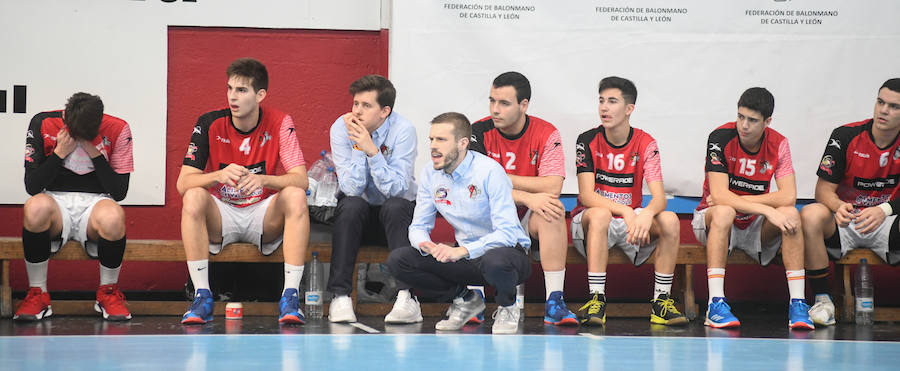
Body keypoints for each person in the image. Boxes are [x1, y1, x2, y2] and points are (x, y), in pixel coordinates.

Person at [177, 58, 310, 324]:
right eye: (229, 89)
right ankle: (202, 296)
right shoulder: (210, 122)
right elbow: (183, 183)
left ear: (260, 95)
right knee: (193, 195)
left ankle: (290, 297)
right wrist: (217, 175)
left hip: (262, 215)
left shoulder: (281, 122)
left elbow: (302, 180)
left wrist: (265, 181)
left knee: (295, 194)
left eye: (241, 90)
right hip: (223, 214)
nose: (232, 97)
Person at [386, 112, 532, 334]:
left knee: (496, 260)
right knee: (400, 260)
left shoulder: (490, 171)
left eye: (441, 140)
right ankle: (465, 301)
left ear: (463, 143)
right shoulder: (429, 173)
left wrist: (463, 250)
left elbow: (508, 233)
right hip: (465, 258)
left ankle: (508, 307)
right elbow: (418, 227)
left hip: (507, 255)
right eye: (431, 139)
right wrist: (426, 245)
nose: (433, 146)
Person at [692, 87, 813, 330]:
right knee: (724, 210)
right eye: (740, 117)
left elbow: (789, 195)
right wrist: (767, 208)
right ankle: (715, 304)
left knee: (790, 213)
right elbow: (718, 196)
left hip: (754, 224)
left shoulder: (779, 143)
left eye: (752, 120)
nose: (744, 125)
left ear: (767, 121)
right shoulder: (720, 137)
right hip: (713, 219)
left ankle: (798, 304)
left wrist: (736, 198)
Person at [571, 76, 686, 326]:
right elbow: (587, 196)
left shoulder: (646, 143)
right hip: (592, 221)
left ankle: (661, 302)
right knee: (600, 214)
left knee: (669, 219)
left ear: (629, 109)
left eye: (612, 101)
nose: (604, 107)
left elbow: (658, 198)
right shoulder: (587, 140)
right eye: (601, 101)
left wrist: (644, 214)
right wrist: (626, 211)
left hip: (630, 220)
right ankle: (596, 299)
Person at [469, 72, 575, 325]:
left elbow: (552, 186)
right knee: (470, 205)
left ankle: (554, 301)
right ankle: (473, 299)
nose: (495, 109)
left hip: (526, 218)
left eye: (504, 103)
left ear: (523, 105)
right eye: (492, 101)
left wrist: (499, 177)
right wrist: (527, 196)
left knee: (553, 209)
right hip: (490, 214)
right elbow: (476, 187)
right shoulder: (477, 131)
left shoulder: (546, 133)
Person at [17, 92, 134, 321]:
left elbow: (119, 192)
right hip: (55, 201)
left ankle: (108, 293)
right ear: (65, 118)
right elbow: (32, 186)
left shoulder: (118, 128)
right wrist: (59, 153)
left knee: (114, 216)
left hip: (96, 202)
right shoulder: (43, 123)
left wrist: (95, 153)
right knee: (34, 207)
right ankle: (37, 293)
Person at [802, 78, 900, 326]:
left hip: (887, 222)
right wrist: (838, 206)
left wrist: (883, 209)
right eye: (880, 102)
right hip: (845, 221)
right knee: (811, 214)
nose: (884, 111)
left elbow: (886, 210)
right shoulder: (845, 136)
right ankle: (823, 301)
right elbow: (822, 190)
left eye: (894, 106)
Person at [326, 75, 419, 324]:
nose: (357, 111)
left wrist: (373, 151)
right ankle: (340, 297)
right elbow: (352, 189)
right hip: (360, 220)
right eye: (355, 103)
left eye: (366, 106)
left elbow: (397, 189)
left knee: (396, 206)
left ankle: (406, 297)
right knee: (351, 205)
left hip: (397, 222)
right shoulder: (340, 128)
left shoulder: (404, 131)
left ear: (385, 111)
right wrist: (359, 146)